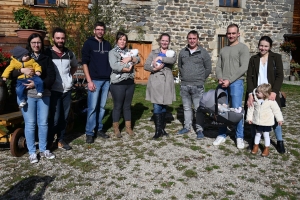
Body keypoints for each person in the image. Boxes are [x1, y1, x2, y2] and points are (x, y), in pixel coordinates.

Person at [11, 33, 56, 163]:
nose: (36, 45)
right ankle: (31, 152)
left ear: (42, 44)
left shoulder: (46, 58)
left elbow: (51, 77)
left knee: (43, 123)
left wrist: (36, 83)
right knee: (30, 124)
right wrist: (21, 71)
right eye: (33, 43)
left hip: (43, 94)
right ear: (29, 44)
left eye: (39, 42)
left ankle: (43, 149)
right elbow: (12, 73)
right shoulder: (22, 58)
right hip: (27, 95)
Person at [246, 36, 285, 153]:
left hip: (270, 93)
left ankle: (280, 141)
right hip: (257, 93)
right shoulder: (253, 59)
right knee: (254, 116)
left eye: (266, 46)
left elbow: (280, 76)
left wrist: (274, 91)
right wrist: (250, 94)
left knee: (275, 116)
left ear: (270, 47)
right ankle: (254, 141)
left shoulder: (276, 58)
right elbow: (249, 77)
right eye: (261, 46)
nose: (263, 48)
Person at [213, 24, 250, 149]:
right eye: (229, 33)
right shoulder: (223, 49)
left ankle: (239, 136)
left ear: (238, 34)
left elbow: (243, 67)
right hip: (223, 83)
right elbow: (218, 66)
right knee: (222, 109)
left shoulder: (243, 48)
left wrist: (230, 80)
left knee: (236, 110)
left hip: (236, 82)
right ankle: (222, 134)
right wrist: (220, 77)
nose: (231, 35)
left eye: (233, 33)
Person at [46, 27, 78, 150]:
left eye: (62, 38)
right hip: (54, 90)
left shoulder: (69, 53)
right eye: (58, 38)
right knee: (54, 118)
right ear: (53, 38)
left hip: (66, 90)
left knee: (64, 117)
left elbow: (74, 66)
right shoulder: (48, 53)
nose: (60, 40)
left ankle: (60, 140)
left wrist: (68, 77)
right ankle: (49, 141)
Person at [177, 30, 212, 139]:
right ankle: (187, 127)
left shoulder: (203, 52)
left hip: (198, 86)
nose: (192, 41)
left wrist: (201, 79)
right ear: (187, 39)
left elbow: (208, 68)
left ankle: (199, 129)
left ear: (197, 40)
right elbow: (180, 66)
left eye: (194, 38)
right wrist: (184, 77)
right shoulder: (183, 52)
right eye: (190, 38)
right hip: (185, 85)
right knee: (187, 108)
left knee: (198, 109)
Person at [81, 22, 112, 143]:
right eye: (98, 29)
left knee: (102, 107)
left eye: (102, 29)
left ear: (104, 31)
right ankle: (89, 132)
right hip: (94, 80)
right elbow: (84, 63)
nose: (100, 31)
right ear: (94, 31)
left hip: (106, 81)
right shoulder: (88, 44)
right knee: (92, 107)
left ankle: (99, 129)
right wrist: (89, 81)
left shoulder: (107, 44)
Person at [144, 33, 177, 139]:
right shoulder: (153, 52)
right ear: (160, 41)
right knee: (157, 106)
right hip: (156, 81)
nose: (164, 42)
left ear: (169, 42)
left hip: (167, 81)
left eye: (166, 41)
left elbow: (172, 60)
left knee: (164, 105)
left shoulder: (171, 53)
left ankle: (162, 129)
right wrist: (154, 69)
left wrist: (160, 58)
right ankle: (158, 131)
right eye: (163, 40)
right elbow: (145, 65)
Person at [108, 32, 140, 138]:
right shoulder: (112, 52)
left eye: (124, 40)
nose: (122, 41)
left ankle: (128, 127)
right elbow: (115, 66)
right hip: (118, 83)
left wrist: (130, 59)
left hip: (130, 82)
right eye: (120, 39)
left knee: (127, 106)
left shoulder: (129, 52)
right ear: (117, 40)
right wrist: (128, 68)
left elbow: (138, 59)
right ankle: (116, 128)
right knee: (117, 106)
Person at [246, 83, 284, 157]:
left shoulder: (271, 102)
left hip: (266, 122)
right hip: (257, 121)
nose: (256, 93)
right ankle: (255, 146)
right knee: (257, 134)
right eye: (256, 92)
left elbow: (276, 110)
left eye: (258, 92)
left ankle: (266, 148)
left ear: (264, 94)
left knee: (266, 135)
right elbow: (251, 109)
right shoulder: (255, 101)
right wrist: (249, 118)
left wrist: (279, 119)